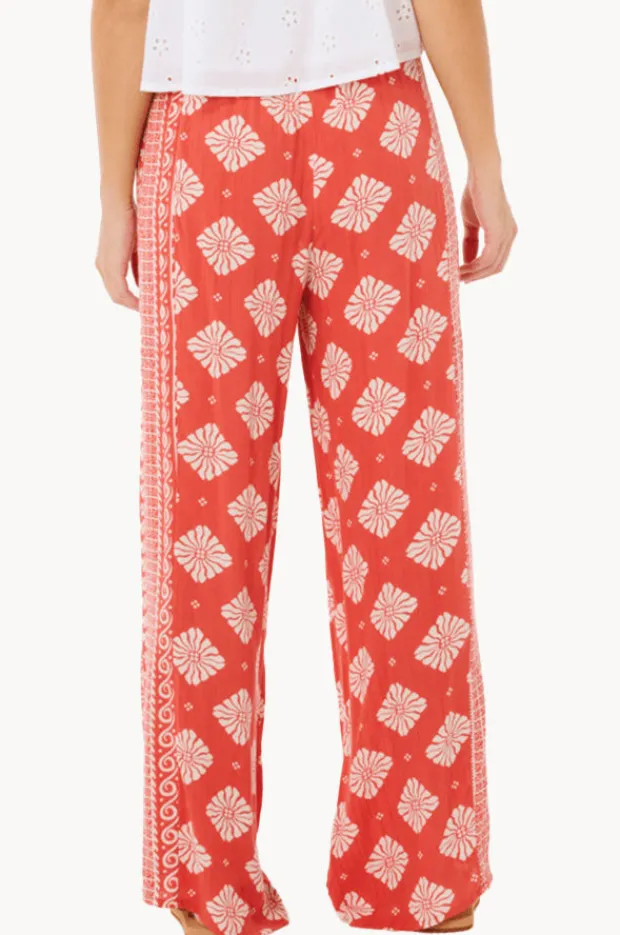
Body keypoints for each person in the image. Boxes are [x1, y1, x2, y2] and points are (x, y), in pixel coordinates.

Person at [93, 2, 516, 933]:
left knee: (205, 525)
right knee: (408, 524)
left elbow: (122, 5)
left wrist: (114, 190)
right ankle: (424, 876)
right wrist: (484, 159)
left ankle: (209, 883)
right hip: (374, 133)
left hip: (210, 148)